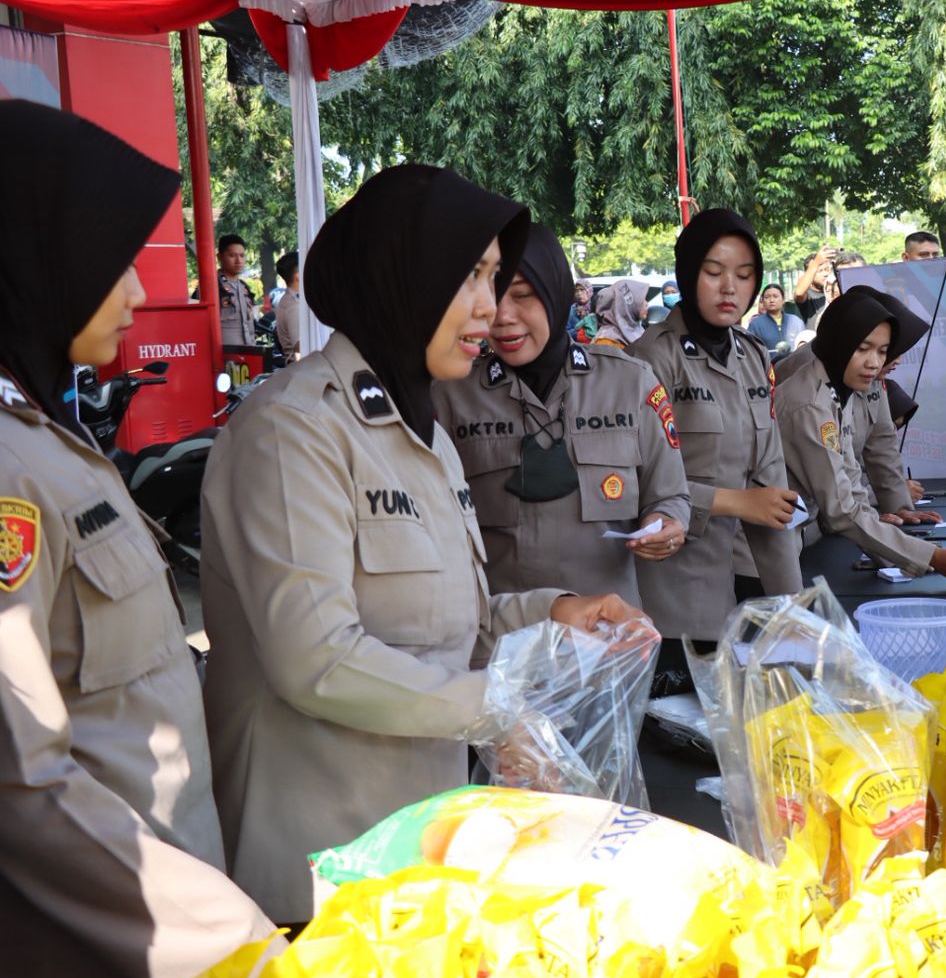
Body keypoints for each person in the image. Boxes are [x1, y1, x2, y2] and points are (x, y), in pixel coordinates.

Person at [200, 165, 644, 924]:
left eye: (496, 278)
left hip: (421, 853)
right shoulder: (293, 429)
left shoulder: (425, 433)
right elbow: (317, 659)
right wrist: (495, 709)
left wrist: (555, 611)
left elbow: (451, 621)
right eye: (470, 275)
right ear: (400, 273)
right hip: (319, 874)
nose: (490, 306)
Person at [0, 100, 276, 978]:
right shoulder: (10, 467)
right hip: (110, 962)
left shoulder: (49, 435)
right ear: (34, 259)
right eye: (108, 261)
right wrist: (217, 932)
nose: (132, 291)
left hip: (168, 920)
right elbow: (22, 779)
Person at [434, 222, 689, 611]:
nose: (502, 316)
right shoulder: (451, 395)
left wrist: (667, 524)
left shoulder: (629, 382)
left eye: (522, 295)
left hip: (611, 633)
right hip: (500, 637)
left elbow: (669, 493)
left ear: (555, 291)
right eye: (489, 296)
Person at [628, 208, 802, 650]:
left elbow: (771, 489)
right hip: (665, 600)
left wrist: (793, 610)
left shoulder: (752, 356)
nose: (730, 288)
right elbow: (632, 482)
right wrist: (736, 502)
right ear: (688, 273)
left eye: (744, 275)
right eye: (713, 272)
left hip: (734, 590)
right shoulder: (650, 358)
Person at [776, 287, 946, 582]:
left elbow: (851, 478)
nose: (874, 362)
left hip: (794, 535)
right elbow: (842, 509)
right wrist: (927, 556)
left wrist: (906, 553)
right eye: (863, 348)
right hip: (764, 547)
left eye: (883, 351)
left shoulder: (838, 388)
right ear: (839, 342)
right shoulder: (811, 403)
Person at [212, 232, 257, 344]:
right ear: (219, 257)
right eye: (232, 256)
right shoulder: (212, 286)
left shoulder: (244, 287)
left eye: (242, 255)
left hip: (248, 349)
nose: (239, 261)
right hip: (223, 351)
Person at [589, 278, 649, 346]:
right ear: (625, 305)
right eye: (641, 299)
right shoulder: (606, 341)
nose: (646, 303)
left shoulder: (636, 328)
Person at [748, 282, 804, 352]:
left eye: (775, 296)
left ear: (783, 300)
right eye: (767, 297)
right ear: (763, 301)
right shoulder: (756, 324)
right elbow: (750, 350)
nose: (771, 300)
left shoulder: (795, 321)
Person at [792, 245, 838, 328]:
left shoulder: (836, 291)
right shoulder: (808, 295)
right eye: (820, 271)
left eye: (827, 269)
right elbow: (799, 293)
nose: (825, 274)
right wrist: (816, 263)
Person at [273, 249, 303, 362]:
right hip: (301, 367)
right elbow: (300, 346)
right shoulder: (293, 305)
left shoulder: (294, 300)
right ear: (298, 275)